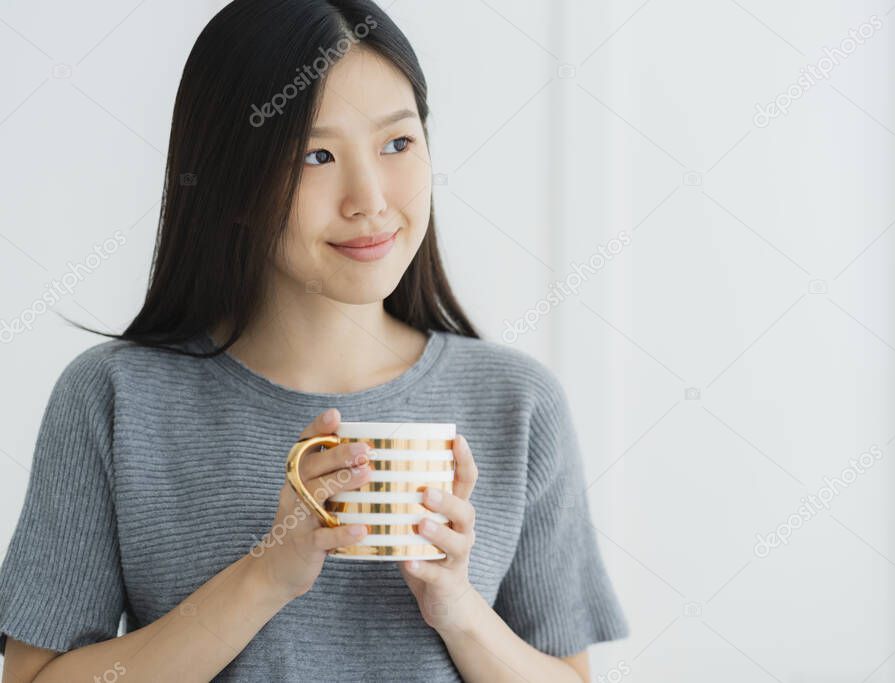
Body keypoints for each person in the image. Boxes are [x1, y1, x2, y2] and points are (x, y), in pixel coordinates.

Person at [0, 1, 629, 680]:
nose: (369, 198)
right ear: (232, 184)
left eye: (397, 143)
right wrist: (265, 575)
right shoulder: (115, 396)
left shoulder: (517, 402)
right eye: (315, 154)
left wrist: (458, 607)